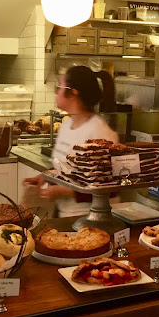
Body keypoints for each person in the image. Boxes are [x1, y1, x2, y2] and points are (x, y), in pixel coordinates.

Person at [23, 66, 118, 217]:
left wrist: (66, 192)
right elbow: (66, 167)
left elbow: (110, 189)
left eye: (59, 87)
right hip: (66, 214)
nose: (56, 93)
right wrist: (45, 177)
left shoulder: (98, 132)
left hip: (90, 217)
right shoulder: (67, 124)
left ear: (73, 93)